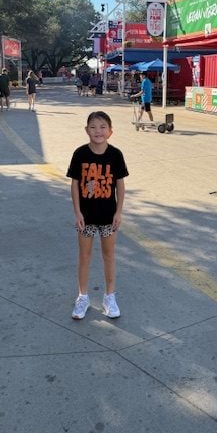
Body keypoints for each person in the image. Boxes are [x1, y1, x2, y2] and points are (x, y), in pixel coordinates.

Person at [66, 111, 129, 320]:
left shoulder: (116, 155)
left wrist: (118, 212)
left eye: (103, 127)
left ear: (110, 131)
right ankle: (82, 297)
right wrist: (77, 212)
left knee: (109, 256)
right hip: (86, 218)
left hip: (108, 217)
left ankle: (109, 297)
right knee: (84, 256)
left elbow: (120, 185)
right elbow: (75, 184)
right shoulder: (80, 154)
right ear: (86, 130)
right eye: (93, 127)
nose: (98, 131)